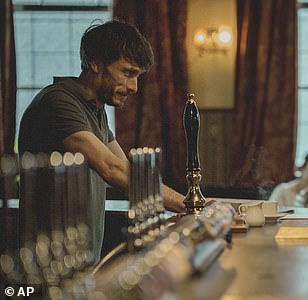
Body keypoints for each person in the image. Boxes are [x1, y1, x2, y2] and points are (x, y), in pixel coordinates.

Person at [18, 20, 185, 263]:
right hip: (48, 267)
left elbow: (130, 170)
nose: (134, 87)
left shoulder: (95, 109)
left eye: (137, 76)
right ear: (95, 63)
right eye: (127, 73)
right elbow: (112, 168)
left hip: (82, 262)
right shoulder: (58, 102)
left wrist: (187, 203)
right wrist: (187, 204)